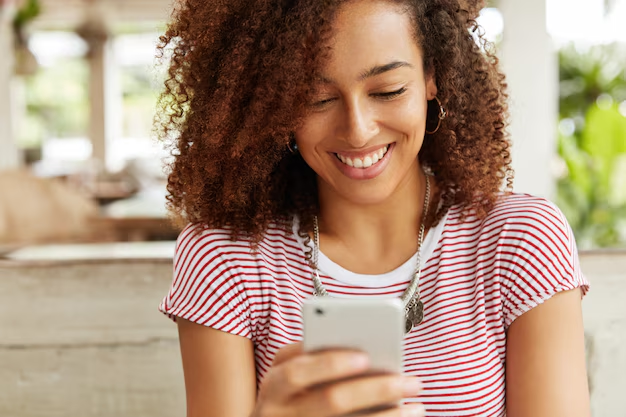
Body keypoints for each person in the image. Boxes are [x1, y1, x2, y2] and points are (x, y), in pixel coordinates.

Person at [156, 0, 591, 416]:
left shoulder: (520, 240)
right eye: (317, 98)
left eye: (388, 90)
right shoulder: (225, 256)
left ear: (431, 78)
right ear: (277, 103)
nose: (358, 131)